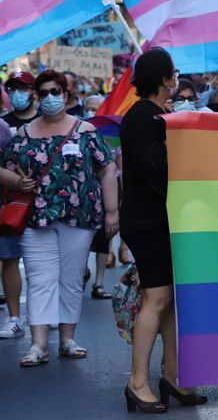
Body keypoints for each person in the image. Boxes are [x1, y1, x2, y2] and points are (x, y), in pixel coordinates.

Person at [1, 70, 118, 368]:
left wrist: (112, 212)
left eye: (57, 91)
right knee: (39, 279)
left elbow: (106, 169)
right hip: (36, 218)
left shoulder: (86, 131)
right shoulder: (24, 133)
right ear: (37, 97)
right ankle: (38, 344)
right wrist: (17, 182)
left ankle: (68, 338)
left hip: (79, 217)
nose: (51, 97)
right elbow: (5, 168)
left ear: (65, 95)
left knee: (70, 278)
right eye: (45, 92)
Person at [119, 50, 207, 411]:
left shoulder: (159, 116)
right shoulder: (143, 119)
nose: (176, 79)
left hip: (163, 220)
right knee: (156, 300)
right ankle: (137, 382)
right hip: (148, 221)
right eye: (173, 74)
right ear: (164, 79)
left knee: (171, 300)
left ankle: (173, 375)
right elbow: (155, 173)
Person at [0, 122, 34, 339]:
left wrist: (17, 182)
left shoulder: (2, 127)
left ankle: (15, 318)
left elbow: (10, 165)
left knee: (10, 260)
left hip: (4, 206)